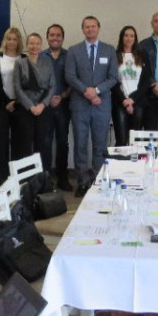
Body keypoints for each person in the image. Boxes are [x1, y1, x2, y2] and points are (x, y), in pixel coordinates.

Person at [64, 16, 118, 195]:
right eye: (87, 27)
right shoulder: (73, 50)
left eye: (93, 26)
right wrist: (86, 91)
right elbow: (70, 76)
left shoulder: (109, 50)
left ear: (98, 28)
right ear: (82, 29)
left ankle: (98, 181)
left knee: (100, 145)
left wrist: (96, 91)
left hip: (101, 105)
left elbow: (113, 77)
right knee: (80, 144)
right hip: (80, 105)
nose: (90, 29)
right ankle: (82, 181)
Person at [14, 32, 56, 164]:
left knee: (42, 142)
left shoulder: (47, 62)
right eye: (31, 43)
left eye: (37, 43)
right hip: (25, 108)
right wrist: (30, 106)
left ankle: (43, 173)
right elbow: (17, 88)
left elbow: (52, 86)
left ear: (41, 45)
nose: (34, 46)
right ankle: (26, 174)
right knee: (25, 142)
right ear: (27, 45)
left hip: (43, 107)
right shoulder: (20, 63)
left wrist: (43, 104)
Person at [42, 23, 72, 188]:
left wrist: (62, 96)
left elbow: (74, 80)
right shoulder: (40, 56)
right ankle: (45, 178)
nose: (55, 38)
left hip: (64, 105)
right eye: (52, 35)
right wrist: (48, 99)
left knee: (62, 142)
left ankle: (63, 178)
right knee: (45, 143)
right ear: (47, 37)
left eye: (58, 35)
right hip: (45, 106)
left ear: (63, 38)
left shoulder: (70, 56)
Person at [0, 27, 22, 173]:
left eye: (15, 39)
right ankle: (1, 174)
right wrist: (7, 101)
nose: (12, 42)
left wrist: (16, 101)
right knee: (0, 142)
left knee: (18, 141)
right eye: (9, 39)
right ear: (4, 40)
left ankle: (17, 174)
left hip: (20, 105)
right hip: (1, 105)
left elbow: (26, 85)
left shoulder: (24, 58)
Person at [111, 25, 150, 146]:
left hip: (138, 102)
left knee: (136, 142)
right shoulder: (114, 56)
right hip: (120, 102)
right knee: (121, 141)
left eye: (132, 36)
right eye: (126, 35)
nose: (129, 38)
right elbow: (112, 81)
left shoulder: (142, 55)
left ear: (135, 38)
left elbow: (146, 81)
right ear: (121, 38)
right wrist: (124, 100)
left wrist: (132, 100)